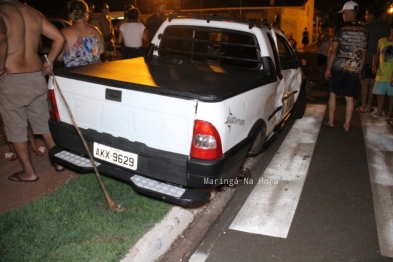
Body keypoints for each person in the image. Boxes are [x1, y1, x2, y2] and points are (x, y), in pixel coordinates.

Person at [0, 0, 65, 182]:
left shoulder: (2, 11)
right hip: (37, 76)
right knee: (44, 123)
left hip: (12, 78)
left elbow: (1, 39)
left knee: (16, 127)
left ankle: (28, 173)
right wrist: (49, 60)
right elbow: (59, 37)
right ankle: (58, 162)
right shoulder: (33, 12)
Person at [324, 1, 368, 132]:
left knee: (333, 94)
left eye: (343, 13)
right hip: (354, 68)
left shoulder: (339, 29)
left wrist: (328, 68)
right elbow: (363, 55)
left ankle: (331, 121)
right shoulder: (364, 32)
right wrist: (360, 70)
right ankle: (347, 124)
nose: (343, 15)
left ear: (348, 12)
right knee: (350, 98)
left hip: (338, 67)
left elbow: (333, 51)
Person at [358, 5, 390, 113]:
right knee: (372, 83)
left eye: (366, 15)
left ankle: (363, 105)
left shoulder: (365, 27)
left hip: (366, 58)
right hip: (379, 60)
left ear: (371, 15)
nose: (366, 17)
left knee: (364, 83)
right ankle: (369, 105)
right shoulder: (385, 27)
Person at [58, 0, 104, 67]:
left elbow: (59, 57)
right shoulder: (96, 31)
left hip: (75, 75)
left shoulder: (64, 32)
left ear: (71, 14)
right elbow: (101, 51)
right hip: (95, 73)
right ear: (86, 13)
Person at [367, 22, 393, 120]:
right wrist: (373, 65)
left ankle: (390, 113)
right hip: (381, 72)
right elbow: (376, 54)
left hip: (391, 74)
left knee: (391, 95)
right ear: (390, 30)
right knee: (380, 94)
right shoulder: (381, 41)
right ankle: (378, 112)